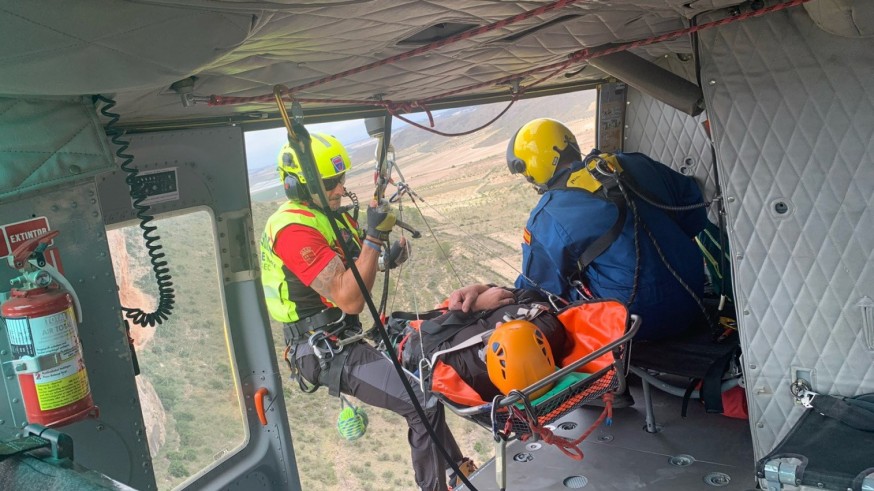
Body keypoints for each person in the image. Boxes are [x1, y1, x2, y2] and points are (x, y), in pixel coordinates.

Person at [259, 133, 472, 491]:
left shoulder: (327, 216)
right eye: (330, 183)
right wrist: (373, 239)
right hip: (322, 349)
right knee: (421, 401)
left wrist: (381, 259)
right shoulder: (294, 229)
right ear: (295, 184)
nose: (340, 189)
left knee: (424, 380)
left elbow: (354, 267)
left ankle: (457, 470)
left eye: (341, 180)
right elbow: (350, 298)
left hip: (344, 336)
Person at [500, 117, 708, 341]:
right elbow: (694, 213)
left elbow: (540, 287)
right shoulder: (633, 162)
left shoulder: (548, 214)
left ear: (533, 166)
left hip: (639, 323)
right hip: (694, 291)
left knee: (560, 297)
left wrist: (506, 295)